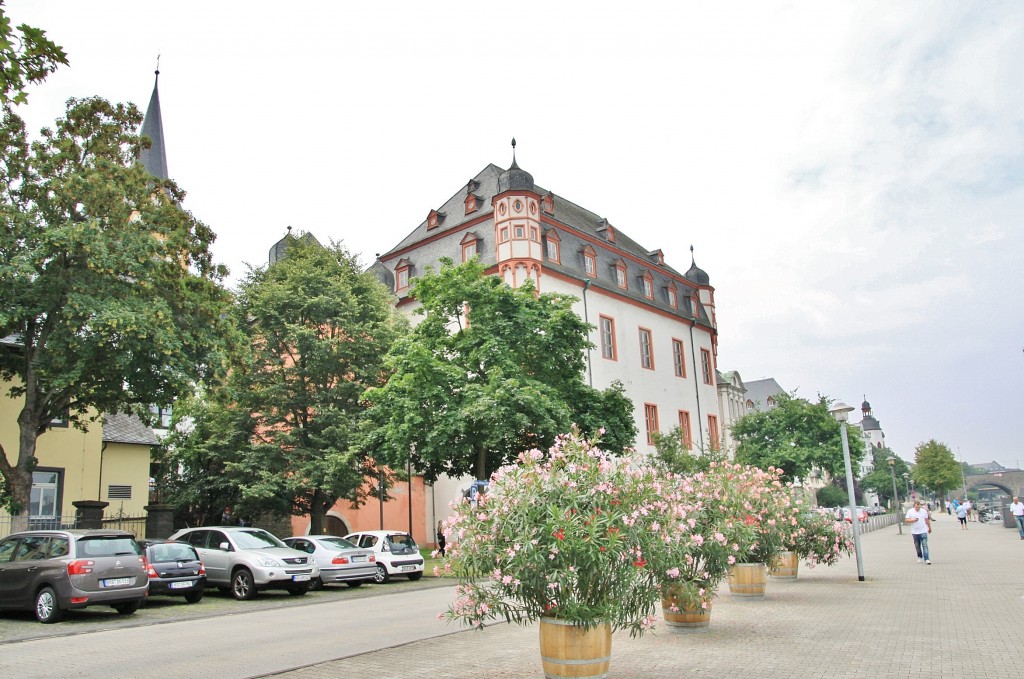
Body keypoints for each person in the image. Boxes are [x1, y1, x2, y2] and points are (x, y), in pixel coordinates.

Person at [904, 499, 932, 564]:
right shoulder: (910, 511)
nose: (917, 508)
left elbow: (926, 520)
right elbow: (906, 520)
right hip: (915, 531)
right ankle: (919, 556)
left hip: (923, 530)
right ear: (914, 506)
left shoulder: (924, 511)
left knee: (924, 544)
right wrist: (913, 520)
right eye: (916, 507)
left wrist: (929, 528)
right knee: (917, 545)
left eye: (918, 507)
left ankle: (927, 558)